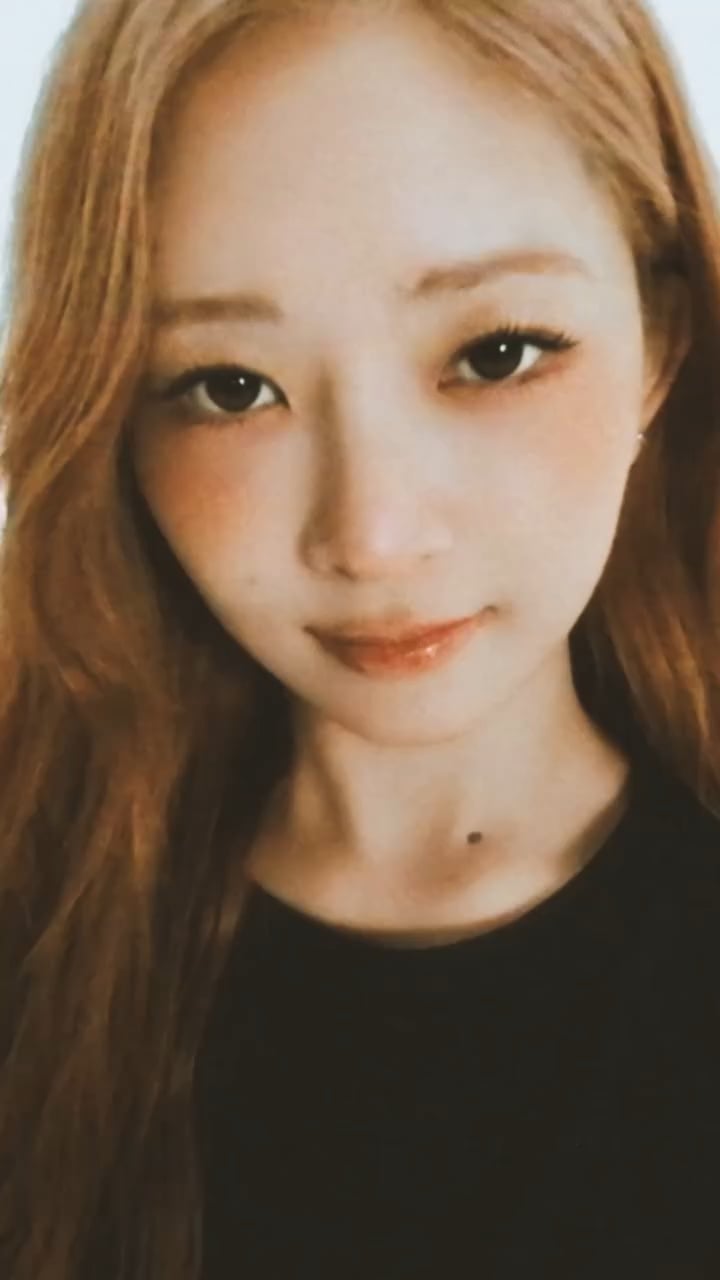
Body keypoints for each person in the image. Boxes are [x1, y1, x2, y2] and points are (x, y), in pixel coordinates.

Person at [1, 0, 719, 1276]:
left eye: (497, 352)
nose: (373, 536)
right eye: (230, 386)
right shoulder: (33, 929)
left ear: (658, 343)